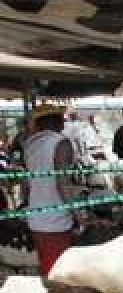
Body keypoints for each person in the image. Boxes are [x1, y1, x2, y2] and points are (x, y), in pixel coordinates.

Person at [22, 104, 77, 275]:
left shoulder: (30, 145)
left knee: (48, 266)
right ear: (58, 121)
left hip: (36, 217)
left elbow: (27, 185)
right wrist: (79, 214)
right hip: (56, 220)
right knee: (59, 272)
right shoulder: (61, 143)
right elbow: (63, 184)